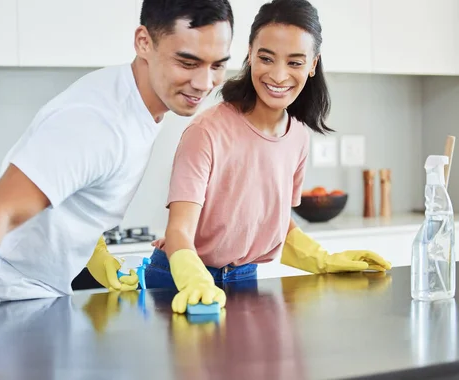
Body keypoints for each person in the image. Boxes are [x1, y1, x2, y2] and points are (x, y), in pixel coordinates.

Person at [0, 0, 235, 348]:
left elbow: (75, 191)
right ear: (144, 42)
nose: (204, 83)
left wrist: (100, 258)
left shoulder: (142, 102)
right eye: (187, 62)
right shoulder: (96, 122)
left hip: (38, 298)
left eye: (217, 65)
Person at [144, 0, 392, 314]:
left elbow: (270, 217)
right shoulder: (206, 131)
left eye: (295, 62)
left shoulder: (298, 137)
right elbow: (179, 230)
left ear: (313, 64)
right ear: (249, 53)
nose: (278, 75)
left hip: (245, 277)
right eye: (266, 58)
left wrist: (321, 258)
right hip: (180, 279)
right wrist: (193, 278)